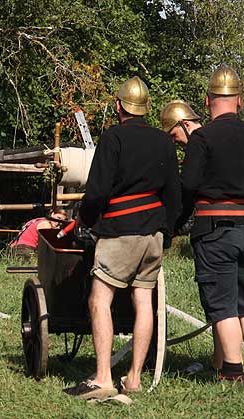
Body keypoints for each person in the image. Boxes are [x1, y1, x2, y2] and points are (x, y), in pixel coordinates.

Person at [63, 76, 180, 400]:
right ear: (145, 109)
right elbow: (174, 193)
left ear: (118, 107)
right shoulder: (163, 141)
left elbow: (98, 191)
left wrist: (82, 222)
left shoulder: (112, 138)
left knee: (100, 299)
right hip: (152, 234)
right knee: (144, 303)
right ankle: (134, 379)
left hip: (120, 232)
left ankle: (103, 378)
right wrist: (166, 233)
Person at [177, 64, 244, 388]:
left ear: (207, 101)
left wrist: (177, 222)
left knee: (223, 305)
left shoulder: (202, 138)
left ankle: (232, 372)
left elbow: (188, 186)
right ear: (241, 101)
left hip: (214, 230)